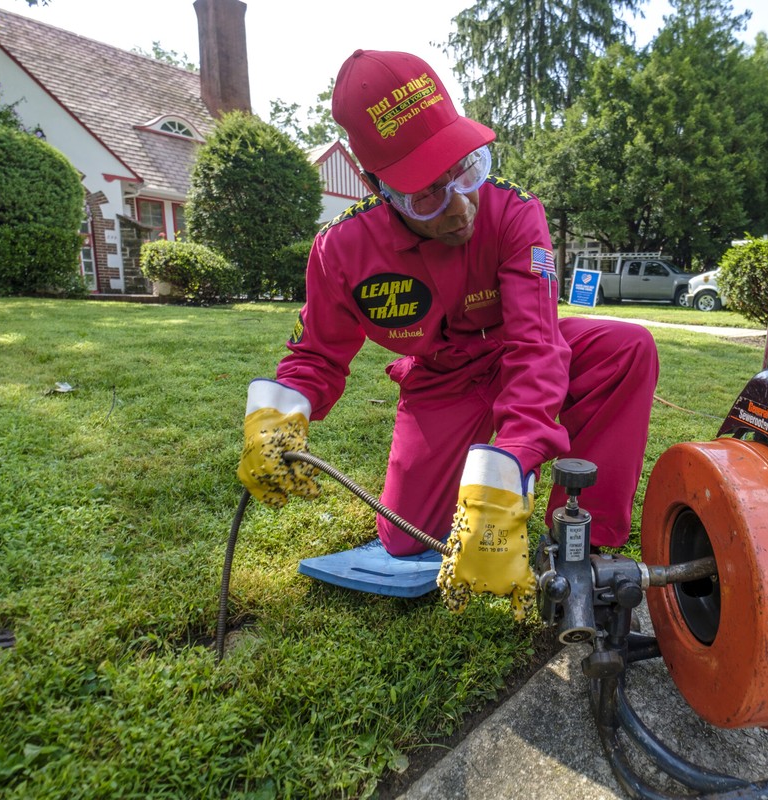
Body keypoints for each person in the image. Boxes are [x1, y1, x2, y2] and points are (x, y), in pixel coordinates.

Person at [237, 49, 659, 619]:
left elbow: (537, 346)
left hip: (516, 351)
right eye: (427, 194)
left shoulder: (515, 212)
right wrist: (281, 416)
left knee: (626, 349)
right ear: (376, 186)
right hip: (439, 380)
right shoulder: (341, 250)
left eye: (467, 169)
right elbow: (316, 353)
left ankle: (582, 537)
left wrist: (511, 467)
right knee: (408, 540)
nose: (460, 207)